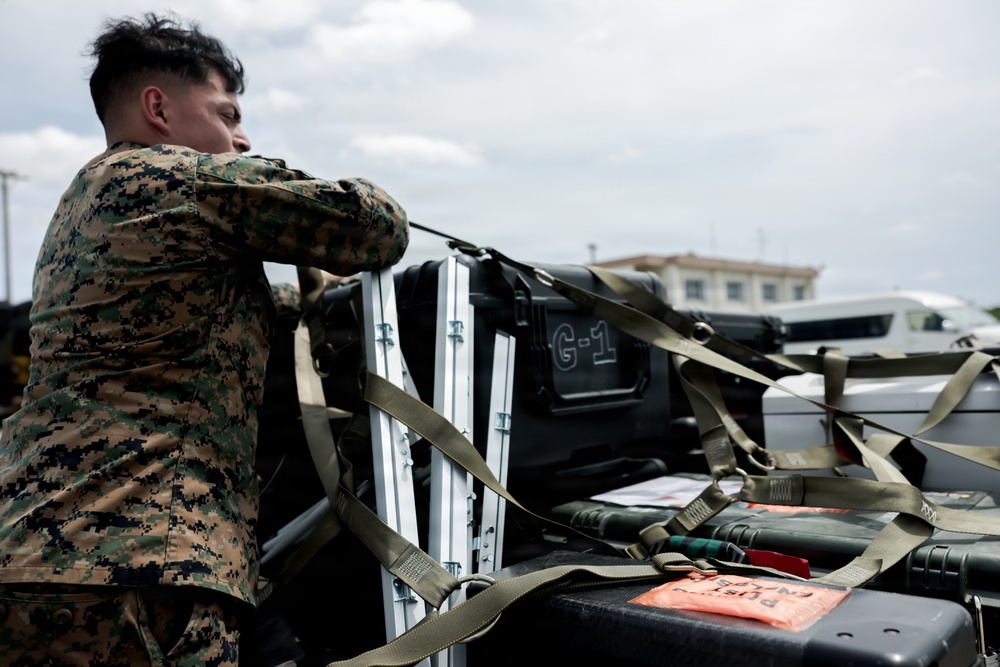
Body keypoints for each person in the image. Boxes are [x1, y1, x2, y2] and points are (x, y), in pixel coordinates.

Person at [0, 13, 408, 666]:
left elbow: (183, 322)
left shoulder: (82, 203)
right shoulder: (180, 179)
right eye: (226, 113)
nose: (241, 139)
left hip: (31, 559)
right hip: (143, 570)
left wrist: (298, 297)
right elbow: (374, 223)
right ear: (158, 107)